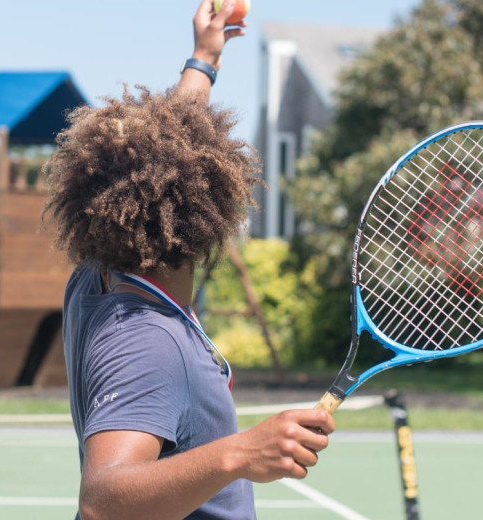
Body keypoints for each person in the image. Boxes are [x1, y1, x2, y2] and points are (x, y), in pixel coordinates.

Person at [44, 1, 336, 518]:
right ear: (207, 212)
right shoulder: (149, 339)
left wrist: (203, 60)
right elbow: (102, 500)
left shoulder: (97, 275)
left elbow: (159, 157)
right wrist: (240, 453)